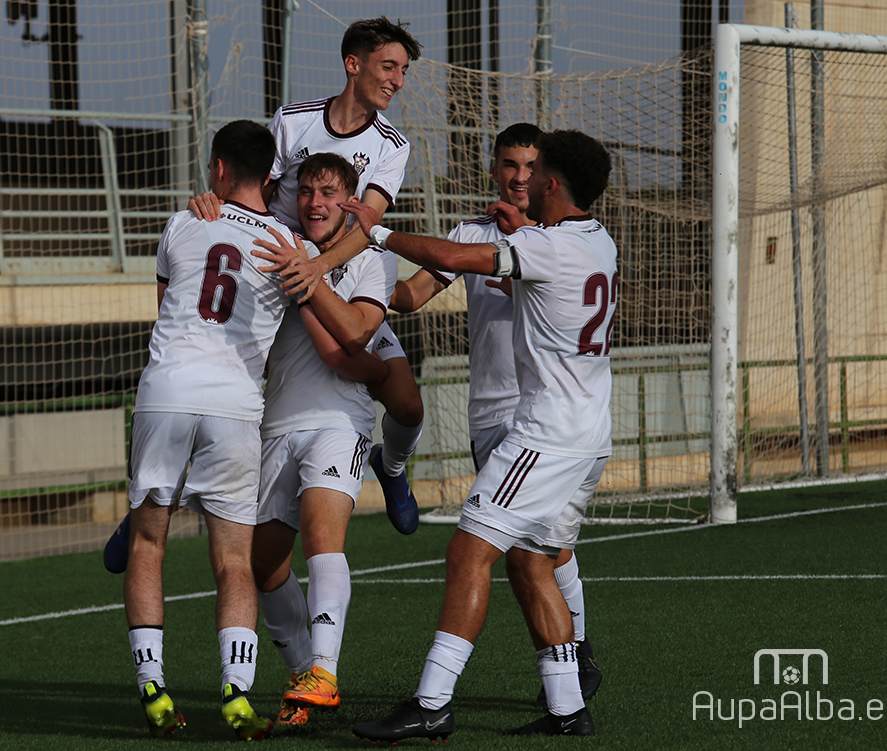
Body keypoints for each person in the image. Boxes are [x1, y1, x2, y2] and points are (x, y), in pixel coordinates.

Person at [343, 129, 617, 740]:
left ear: (548, 182)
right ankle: (568, 709)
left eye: (534, 167)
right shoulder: (598, 240)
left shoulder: (545, 246)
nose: (524, 176)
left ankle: (432, 702)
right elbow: (437, 276)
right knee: (536, 562)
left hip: (545, 433)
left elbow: (466, 260)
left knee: (470, 552)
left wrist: (375, 231)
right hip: (585, 433)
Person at [187, 16, 425, 534]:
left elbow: (367, 224)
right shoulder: (293, 118)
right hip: (280, 275)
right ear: (352, 64)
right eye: (390, 66)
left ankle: (392, 467)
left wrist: (316, 268)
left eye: (403, 70)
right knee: (221, 376)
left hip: (336, 275)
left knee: (408, 405)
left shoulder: (392, 144)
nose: (397, 81)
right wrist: (215, 201)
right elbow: (256, 192)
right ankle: (155, 496)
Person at [122, 120, 294, 740]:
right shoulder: (286, 242)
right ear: (269, 175)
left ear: (219, 169)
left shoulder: (182, 222)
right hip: (235, 405)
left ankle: (154, 690)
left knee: (148, 544)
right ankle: (238, 696)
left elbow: (168, 302)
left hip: (165, 392)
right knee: (232, 561)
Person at [248, 152, 398, 729]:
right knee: (263, 566)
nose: (315, 202)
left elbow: (357, 336)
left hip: (340, 421)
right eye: (307, 190)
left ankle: (325, 673)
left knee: (322, 539)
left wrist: (307, 277)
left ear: (350, 199)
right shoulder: (277, 242)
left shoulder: (370, 258)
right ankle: (303, 671)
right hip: (276, 422)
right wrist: (207, 203)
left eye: (329, 192)